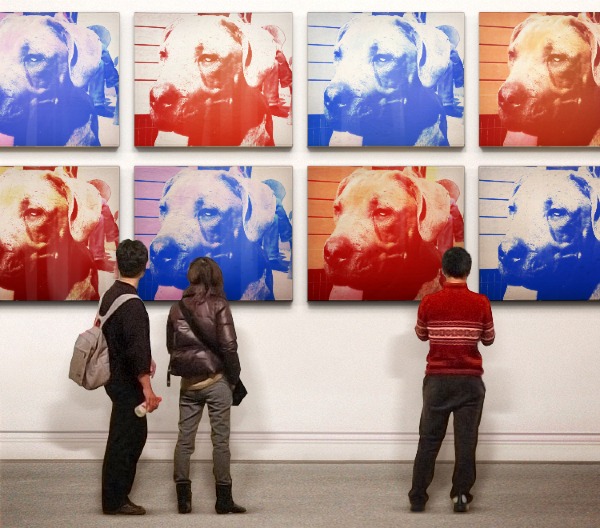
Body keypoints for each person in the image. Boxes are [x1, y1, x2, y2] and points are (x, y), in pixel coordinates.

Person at [408, 247, 495, 513]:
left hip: (437, 381)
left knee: (428, 440)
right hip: (470, 382)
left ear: (443, 270)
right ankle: (460, 497)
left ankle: (418, 498)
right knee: (466, 442)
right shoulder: (481, 302)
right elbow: (488, 339)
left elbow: (421, 335)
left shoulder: (429, 302)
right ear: (468, 271)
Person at [167, 257, 245, 515]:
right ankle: (224, 500)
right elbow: (229, 346)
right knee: (220, 441)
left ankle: (183, 500)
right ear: (215, 277)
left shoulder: (177, 308)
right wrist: (233, 378)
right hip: (216, 380)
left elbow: (171, 346)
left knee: (184, 441)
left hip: (189, 384)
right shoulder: (219, 305)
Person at [101, 239, 161, 515]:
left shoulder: (111, 294)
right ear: (144, 267)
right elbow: (136, 349)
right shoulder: (134, 305)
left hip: (113, 377)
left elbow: (120, 338)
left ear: (118, 264)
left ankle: (113, 498)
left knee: (120, 437)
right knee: (128, 440)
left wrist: (145, 359)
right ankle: (116, 501)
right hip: (127, 382)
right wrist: (147, 389)